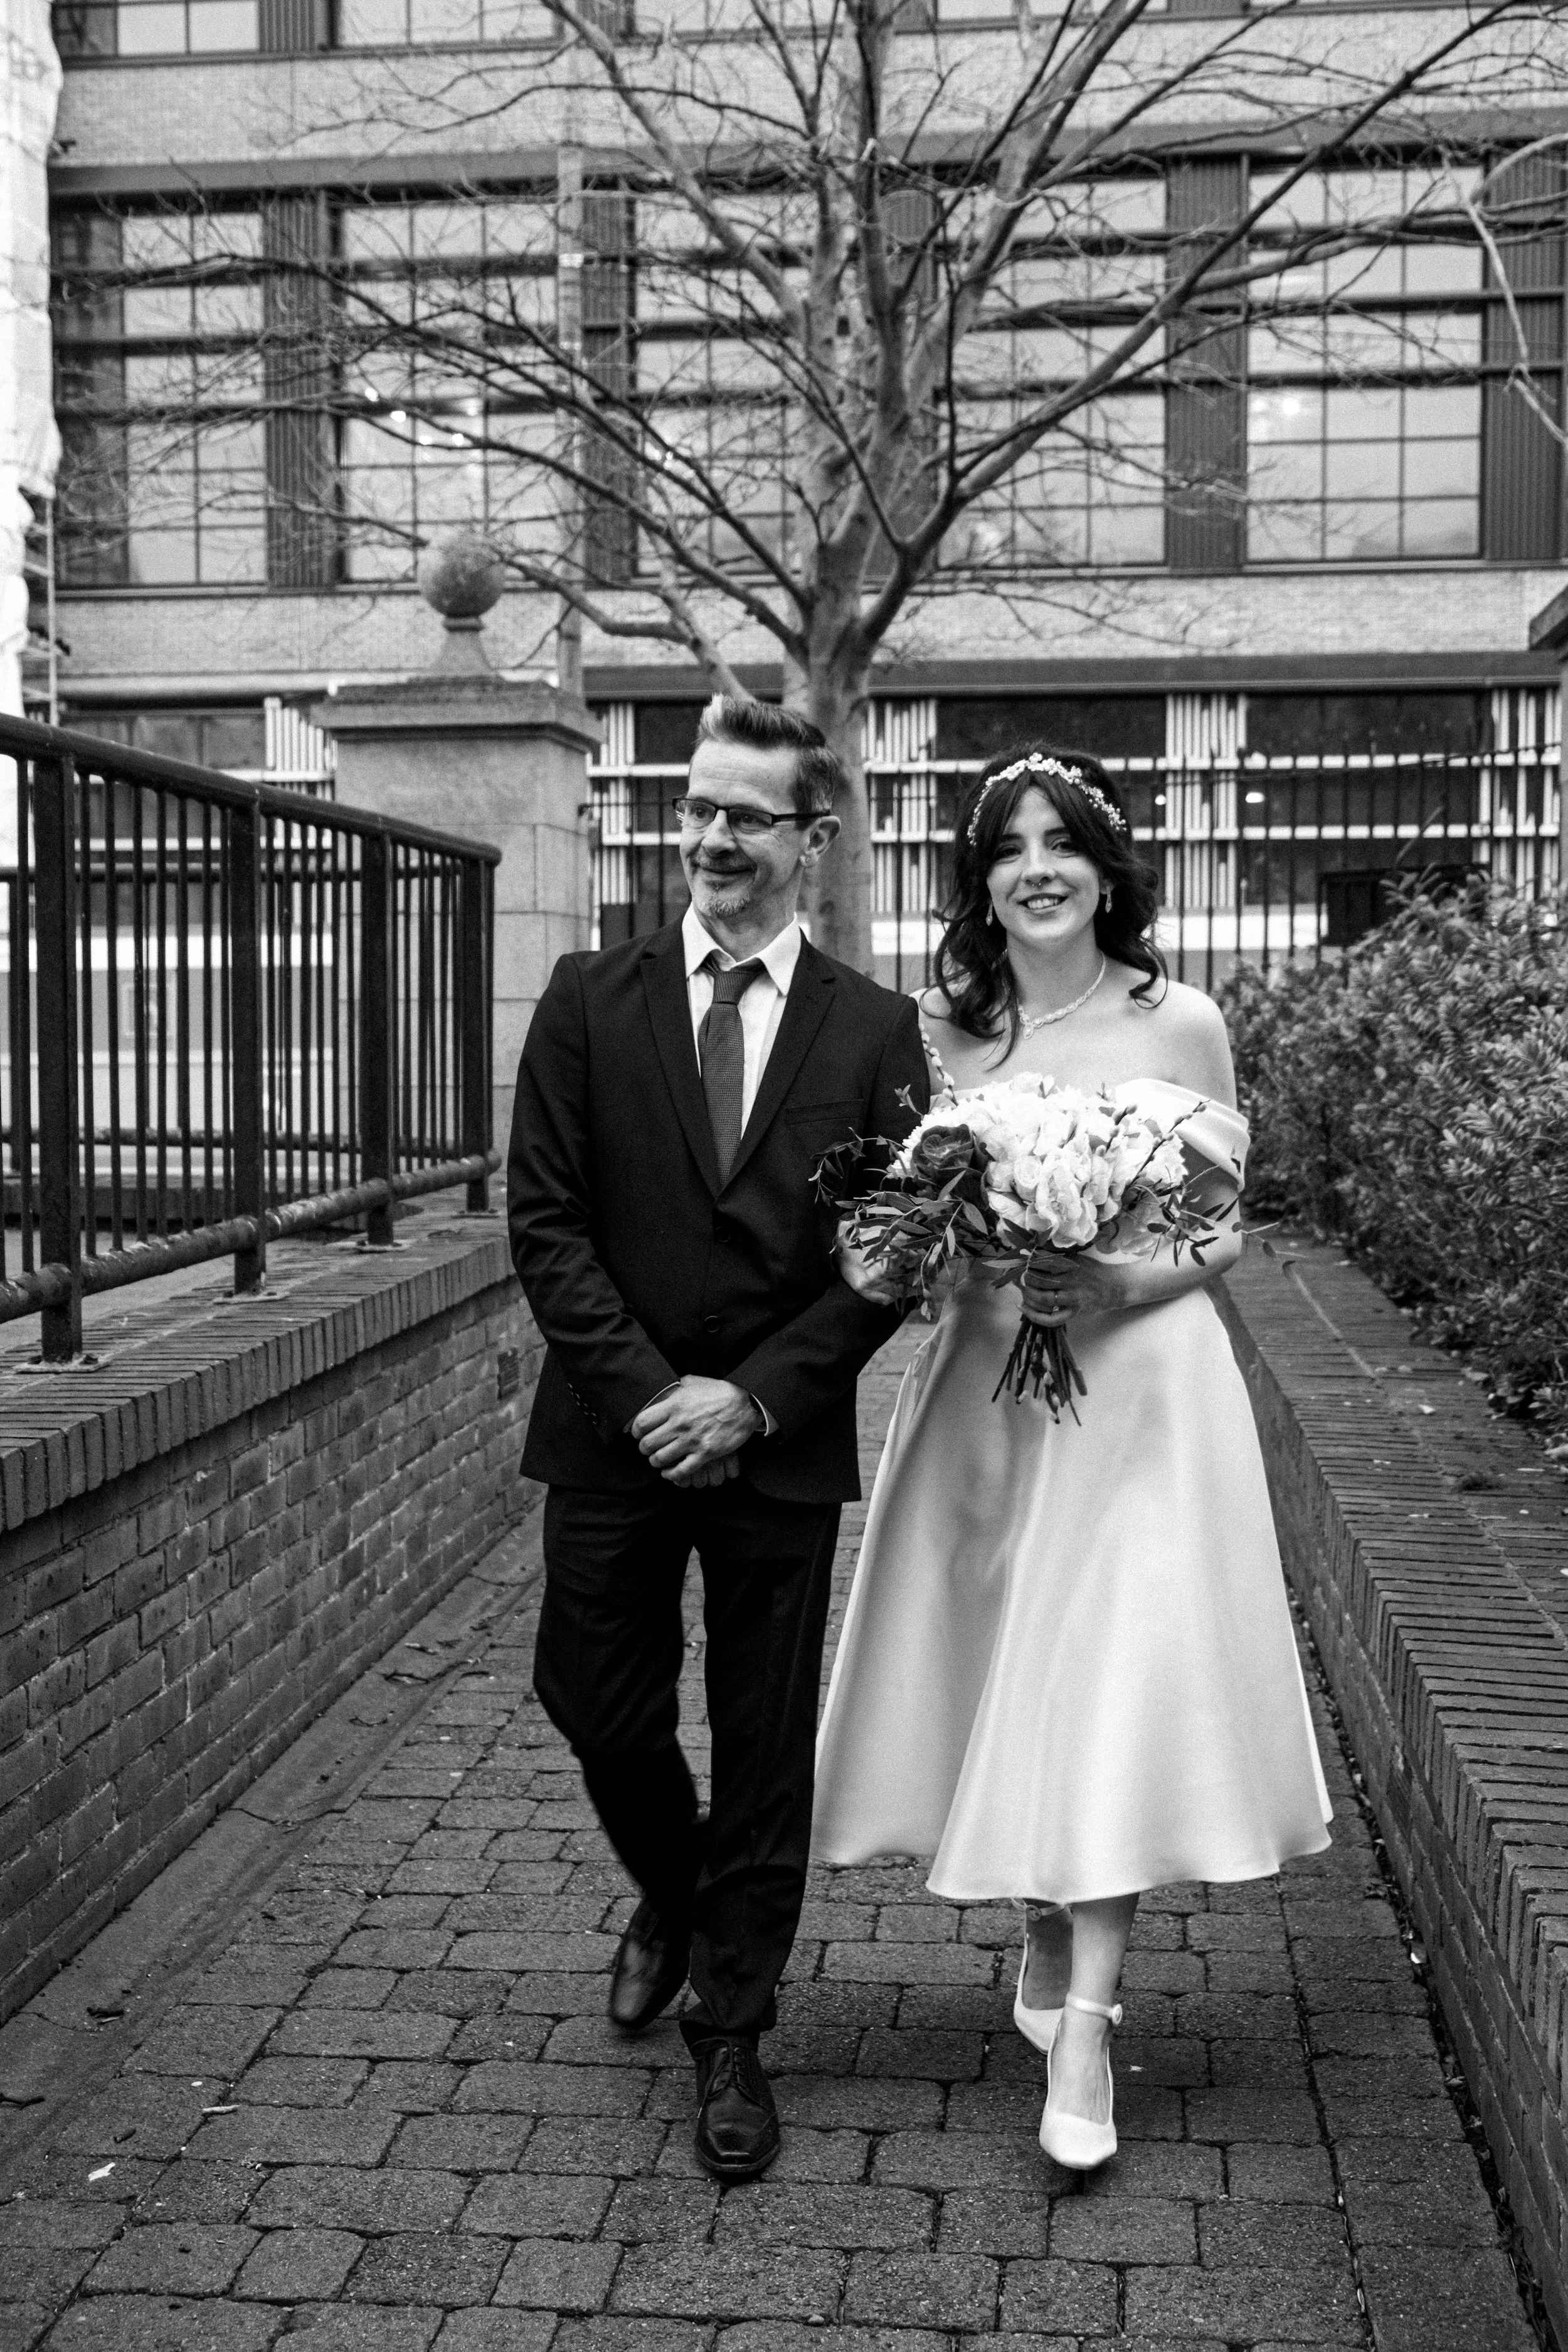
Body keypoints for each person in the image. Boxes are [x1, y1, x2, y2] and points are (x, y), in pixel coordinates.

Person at [812, 744, 1331, 2173]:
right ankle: (1047, 1931)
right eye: (1006, 847)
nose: (1035, 867)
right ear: (979, 882)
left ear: (1108, 869)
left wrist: (1105, 1283)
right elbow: (890, 1223)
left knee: (1102, 1671)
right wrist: (938, 1254)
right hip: (989, 1392)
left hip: (1145, 1395)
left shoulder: (1182, 1023)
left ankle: (1090, 2023)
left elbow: (1226, 1222)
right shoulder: (937, 1031)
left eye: (1062, 842)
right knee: (1015, 1666)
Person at [507, 694, 929, 2183]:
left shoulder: (874, 1034)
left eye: (744, 816)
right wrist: (647, 1399)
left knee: (761, 1748)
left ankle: (731, 2032)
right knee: (594, 1702)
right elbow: (545, 1224)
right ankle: (677, 1896)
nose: (708, 838)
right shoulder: (584, 997)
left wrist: (748, 1399)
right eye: (695, 808)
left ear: (811, 840)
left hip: (777, 1446)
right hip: (611, 1436)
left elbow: (885, 1260)